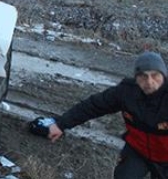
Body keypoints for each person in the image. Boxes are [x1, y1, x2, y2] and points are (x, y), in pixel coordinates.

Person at [32, 51, 168, 178]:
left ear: (164, 75)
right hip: (138, 151)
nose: (149, 82)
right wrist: (61, 124)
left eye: (155, 76)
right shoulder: (126, 92)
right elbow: (93, 106)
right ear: (136, 78)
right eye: (143, 76)